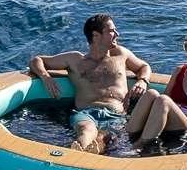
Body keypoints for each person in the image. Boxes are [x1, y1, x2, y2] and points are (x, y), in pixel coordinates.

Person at [28, 13, 152, 154]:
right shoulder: (75, 60)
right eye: (111, 31)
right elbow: (36, 61)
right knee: (86, 130)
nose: (117, 34)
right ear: (96, 35)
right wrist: (46, 77)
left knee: (104, 137)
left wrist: (143, 81)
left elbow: (144, 67)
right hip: (86, 113)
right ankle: (80, 151)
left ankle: (85, 153)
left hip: (117, 115)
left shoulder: (121, 54)